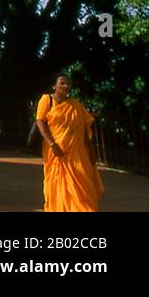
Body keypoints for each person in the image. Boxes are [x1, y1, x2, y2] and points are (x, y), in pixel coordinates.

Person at [35, 73, 104, 212]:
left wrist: (91, 150)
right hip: (57, 154)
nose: (66, 86)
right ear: (54, 86)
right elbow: (40, 121)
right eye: (62, 83)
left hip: (78, 154)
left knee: (84, 190)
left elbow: (83, 128)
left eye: (68, 83)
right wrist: (52, 144)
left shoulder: (75, 105)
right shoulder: (46, 100)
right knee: (58, 188)